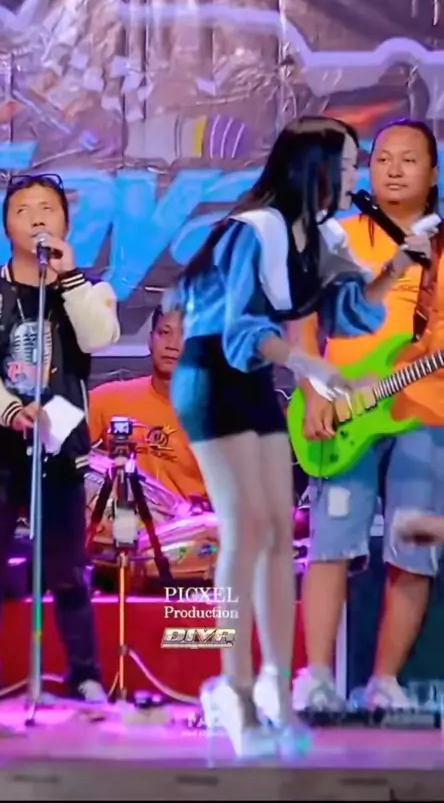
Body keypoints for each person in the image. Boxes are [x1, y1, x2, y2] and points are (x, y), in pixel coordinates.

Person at [164, 116, 411, 759]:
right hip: (212, 375)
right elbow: (237, 329)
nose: (356, 177)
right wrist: (310, 367)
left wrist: (396, 265)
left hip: (255, 378)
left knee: (278, 533)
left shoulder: (321, 235)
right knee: (245, 530)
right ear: (314, 169)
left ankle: (277, 682)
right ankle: (234, 688)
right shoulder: (256, 230)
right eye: (348, 164)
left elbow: (348, 311)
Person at [291, 119, 442, 714]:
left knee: (413, 550)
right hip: (343, 413)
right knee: (332, 541)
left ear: (433, 173)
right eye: (382, 158)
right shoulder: (336, 235)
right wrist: (313, 390)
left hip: (425, 413)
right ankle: (316, 678)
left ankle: (385, 682)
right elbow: (301, 317)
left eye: (409, 159)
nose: (394, 168)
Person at [0, 173, 121, 718]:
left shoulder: (90, 288)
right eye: (23, 209)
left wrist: (68, 277)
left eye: (47, 208)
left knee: (69, 573)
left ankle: (86, 678)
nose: (36, 217)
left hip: (60, 447)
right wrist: (11, 410)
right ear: (6, 225)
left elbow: (98, 337)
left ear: (65, 224)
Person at [89, 305, 206, 502]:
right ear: (150, 340)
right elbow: (61, 451)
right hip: (120, 518)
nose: (172, 345)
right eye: (164, 333)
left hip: (185, 520)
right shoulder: (108, 398)